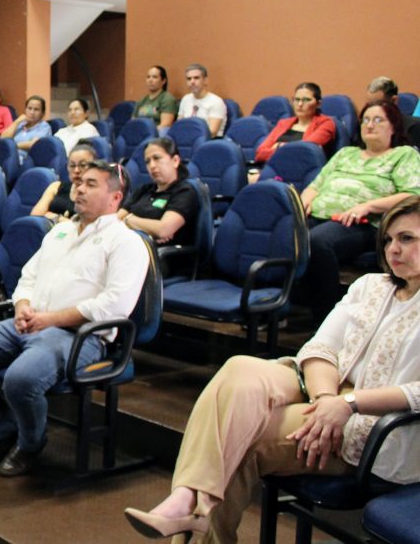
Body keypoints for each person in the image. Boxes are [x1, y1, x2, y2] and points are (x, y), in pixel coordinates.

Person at [125, 195, 420, 543]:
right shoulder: (370, 285)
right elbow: (321, 347)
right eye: (388, 239)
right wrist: (327, 398)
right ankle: (190, 499)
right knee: (239, 368)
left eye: (407, 239)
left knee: (239, 439)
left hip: (375, 421)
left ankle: (191, 508)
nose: (393, 249)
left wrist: (348, 403)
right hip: (324, 390)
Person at [0, 161, 148, 476]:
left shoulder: (126, 242)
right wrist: (22, 306)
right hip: (30, 322)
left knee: (20, 380)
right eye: (79, 182)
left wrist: (50, 319)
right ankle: (5, 433)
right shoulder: (60, 231)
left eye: (91, 184)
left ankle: (31, 443)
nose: (80, 189)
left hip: (81, 336)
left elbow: (114, 306)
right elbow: (28, 277)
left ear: (115, 198)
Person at [298, 100, 420, 322]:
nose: (369, 125)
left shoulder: (403, 154)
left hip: (363, 223)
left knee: (316, 242)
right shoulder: (346, 153)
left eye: (377, 120)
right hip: (318, 215)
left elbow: (412, 193)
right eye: (365, 120)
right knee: (283, 235)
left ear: (393, 126)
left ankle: (325, 317)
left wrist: (368, 206)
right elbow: (316, 185)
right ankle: (281, 306)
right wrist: (303, 202)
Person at [118, 137, 199, 247]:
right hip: (132, 246)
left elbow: (163, 230)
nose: (152, 166)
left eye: (157, 158)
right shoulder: (143, 190)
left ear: (175, 161)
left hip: (163, 258)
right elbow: (116, 219)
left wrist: (128, 219)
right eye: (148, 161)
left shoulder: (185, 192)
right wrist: (151, 230)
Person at [255, 82, 336, 163]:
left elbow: (303, 151)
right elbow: (260, 153)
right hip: (273, 168)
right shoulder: (283, 123)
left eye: (306, 100)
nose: (300, 104)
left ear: (318, 104)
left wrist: (278, 147)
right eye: (297, 99)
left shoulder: (326, 123)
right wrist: (284, 148)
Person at [31, 141, 98, 222]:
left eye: (83, 165)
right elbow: (36, 215)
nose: (76, 170)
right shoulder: (56, 186)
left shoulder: (97, 194)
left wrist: (53, 216)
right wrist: (60, 219)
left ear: (95, 167)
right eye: (72, 165)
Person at [366, 75, 420, 148]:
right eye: (370, 105)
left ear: (394, 101)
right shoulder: (365, 127)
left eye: (379, 104)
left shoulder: (413, 128)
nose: (373, 109)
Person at [178, 64, 228, 138]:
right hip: (187, 140)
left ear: (205, 80)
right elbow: (179, 125)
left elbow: (212, 132)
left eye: (196, 78)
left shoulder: (216, 102)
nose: (192, 81)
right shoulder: (185, 99)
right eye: (189, 79)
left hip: (209, 142)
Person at [135, 65, 179, 134]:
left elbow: (165, 125)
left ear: (163, 81)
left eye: (154, 77)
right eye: (148, 77)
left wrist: (146, 133)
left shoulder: (167, 99)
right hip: (139, 134)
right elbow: (133, 122)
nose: (150, 80)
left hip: (156, 135)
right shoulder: (142, 101)